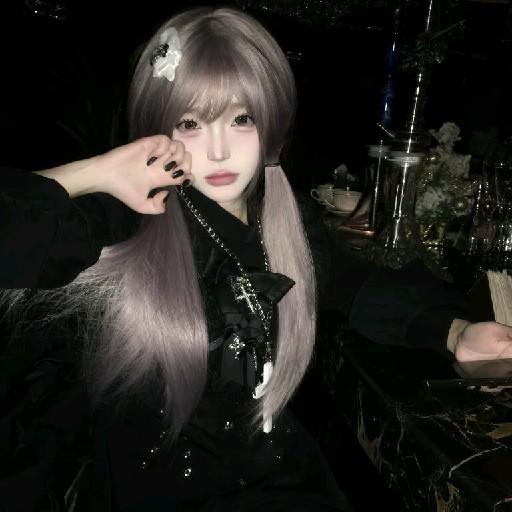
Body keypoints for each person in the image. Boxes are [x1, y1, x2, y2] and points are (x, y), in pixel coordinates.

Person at [1, 6, 511, 511]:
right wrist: (93, 174)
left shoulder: (286, 218)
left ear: (272, 123)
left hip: (277, 477)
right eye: (190, 123)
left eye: (241, 119)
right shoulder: (134, 218)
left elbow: (354, 283)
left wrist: (454, 330)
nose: (219, 151)